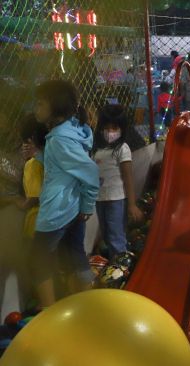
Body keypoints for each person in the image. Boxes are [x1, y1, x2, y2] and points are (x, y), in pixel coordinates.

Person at [32, 80, 100, 307]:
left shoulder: (59, 138)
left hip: (56, 210)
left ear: (56, 106)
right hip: (72, 205)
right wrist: (39, 156)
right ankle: (85, 304)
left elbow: (89, 171)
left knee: (38, 260)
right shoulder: (73, 130)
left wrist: (88, 206)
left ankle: (48, 310)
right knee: (74, 253)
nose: (36, 109)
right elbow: (65, 166)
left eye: (40, 104)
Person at [92, 104, 143, 260]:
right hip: (100, 199)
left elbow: (128, 178)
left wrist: (132, 204)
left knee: (115, 236)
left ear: (121, 128)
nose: (110, 132)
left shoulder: (122, 148)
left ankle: (120, 266)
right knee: (108, 235)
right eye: (107, 128)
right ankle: (119, 261)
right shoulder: (96, 150)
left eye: (114, 128)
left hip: (116, 200)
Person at [16, 114, 48, 239]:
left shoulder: (32, 165)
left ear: (29, 140)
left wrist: (16, 203)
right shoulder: (52, 155)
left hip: (37, 218)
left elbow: (33, 199)